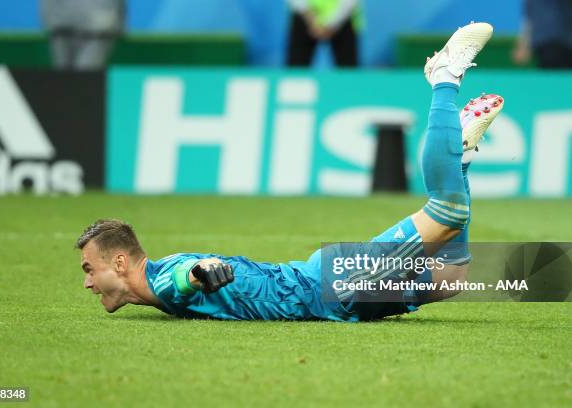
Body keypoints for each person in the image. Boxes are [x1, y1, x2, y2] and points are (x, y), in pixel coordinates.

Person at [77, 22, 502, 321]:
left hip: (332, 284)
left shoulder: (163, 280)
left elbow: (185, 278)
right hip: (331, 294)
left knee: (446, 212)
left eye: (89, 270)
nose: (87, 283)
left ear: (119, 261)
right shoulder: (157, 287)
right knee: (453, 278)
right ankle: (458, 156)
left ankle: (445, 76)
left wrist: (200, 272)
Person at [40, 0, 126, 70]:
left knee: (84, 74)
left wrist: (111, 24)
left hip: (98, 34)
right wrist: (52, 22)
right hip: (61, 30)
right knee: (61, 79)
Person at [286, 0, 361, 67]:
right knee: (296, 71)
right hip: (304, 17)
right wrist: (309, 16)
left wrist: (332, 23)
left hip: (344, 20)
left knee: (348, 72)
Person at [513, 0, 572, 69]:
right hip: (549, 44)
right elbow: (528, 21)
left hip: (561, 43)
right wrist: (523, 46)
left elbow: (528, 21)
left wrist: (523, 46)